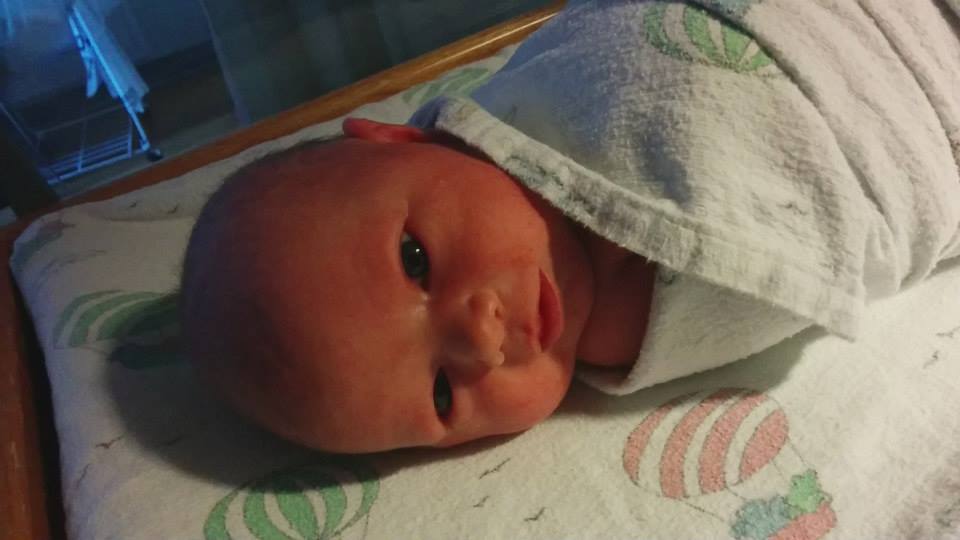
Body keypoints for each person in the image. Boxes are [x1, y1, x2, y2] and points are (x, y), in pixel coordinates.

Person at [181, 0, 960, 453]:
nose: (482, 339)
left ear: (397, 139)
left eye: (416, 260)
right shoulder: (622, 322)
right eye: (443, 394)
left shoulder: (544, 92)